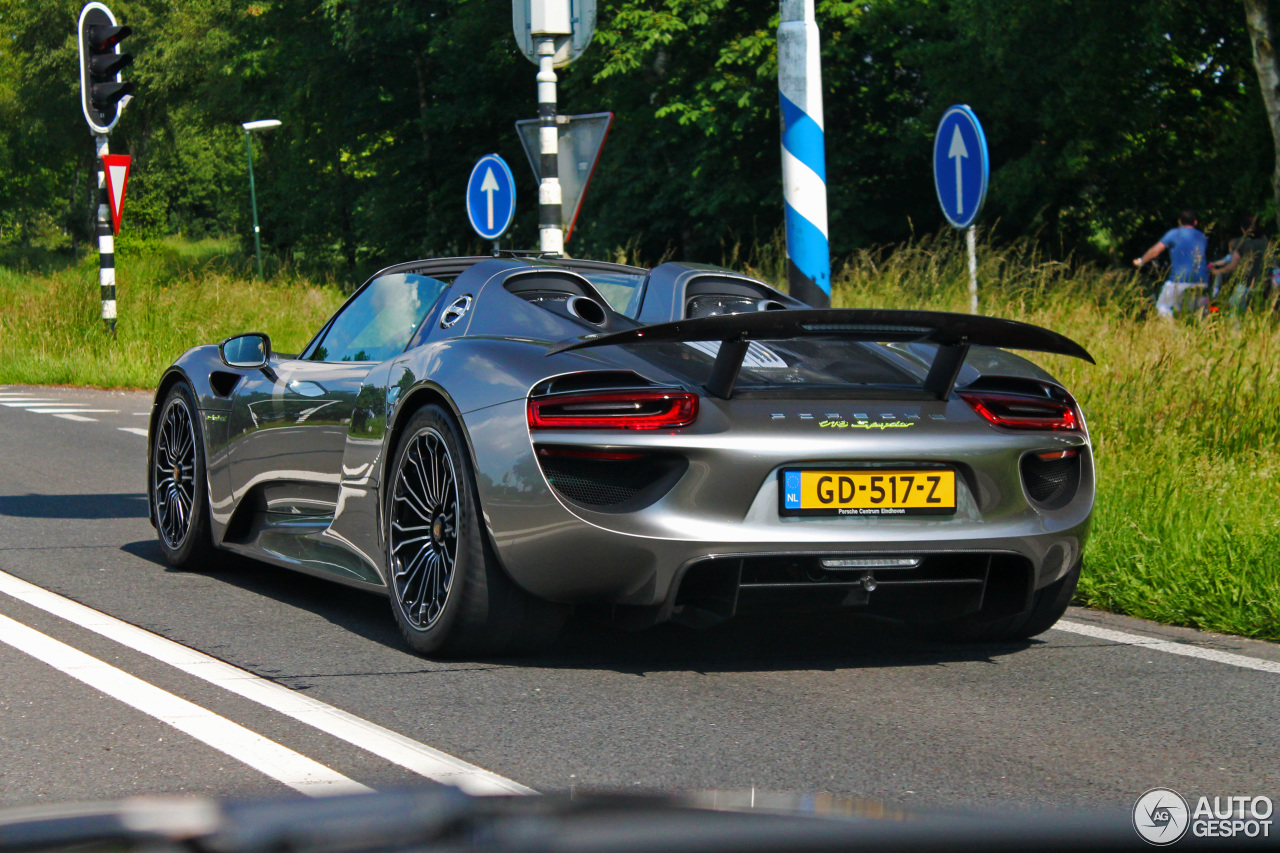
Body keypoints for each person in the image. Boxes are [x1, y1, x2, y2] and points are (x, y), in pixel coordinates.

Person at [1133, 209, 1208, 318]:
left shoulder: (1174, 234)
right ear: (1195, 222)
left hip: (1180, 279)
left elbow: (1155, 251)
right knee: (1193, 312)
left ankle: (1170, 331)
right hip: (1202, 280)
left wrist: (1140, 261)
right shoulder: (1202, 236)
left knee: (1163, 306)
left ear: (1179, 221)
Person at [1208, 214, 1270, 312]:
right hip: (1264, 284)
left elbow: (1232, 266)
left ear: (1243, 230)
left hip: (1246, 284)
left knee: (1234, 310)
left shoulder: (1242, 244)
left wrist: (1218, 271)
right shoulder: (1265, 240)